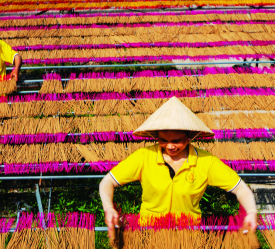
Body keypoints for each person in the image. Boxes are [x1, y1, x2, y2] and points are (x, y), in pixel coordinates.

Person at [99, 96, 258, 240]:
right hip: (148, 235)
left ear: (189, 137)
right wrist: (108, 208)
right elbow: (107, 182)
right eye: (163, 140)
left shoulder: (206, 161)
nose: (170, 146)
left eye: (176, 141)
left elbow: (240, 188)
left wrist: (251, 212)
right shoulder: (143, 157)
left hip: (187, 237)